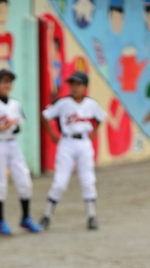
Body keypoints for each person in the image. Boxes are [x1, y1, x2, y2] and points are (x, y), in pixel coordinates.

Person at [39, 71, 106, 231]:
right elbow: (45, 115)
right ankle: (46, 216)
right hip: (67, 142)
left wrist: (94, 133)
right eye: (72, 84)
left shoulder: (91, 104)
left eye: (78, 84)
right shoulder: (63, 103)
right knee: (60, 182)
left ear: (85, 87)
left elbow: (100, 118)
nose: (75, 88)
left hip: (84, 142)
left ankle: (92, 217)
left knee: (88, 180)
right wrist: (52, 134)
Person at [0, 69, 41, 235]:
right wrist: (4, 126)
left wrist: (11, 127)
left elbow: (17, 127)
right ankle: (1, 222)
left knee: (25, 180)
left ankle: (26, 218)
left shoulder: (15, 104)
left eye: (9, 81)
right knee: (0, 184)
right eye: (2, 81)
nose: (6, 84)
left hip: (12, 144)